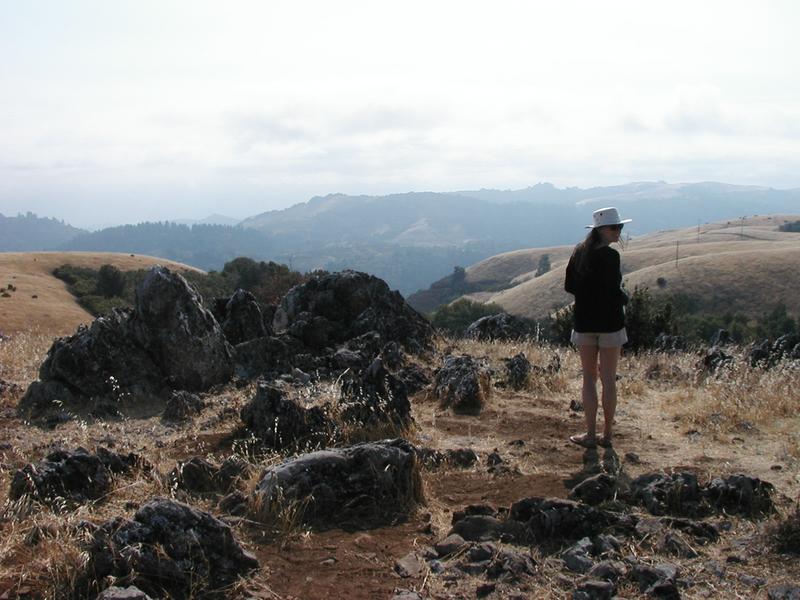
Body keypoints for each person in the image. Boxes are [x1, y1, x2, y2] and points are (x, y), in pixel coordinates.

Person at [564, 207, 631, 448]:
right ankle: (607, 435)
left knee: (589, 378)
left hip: (584, 323)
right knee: (608, 379)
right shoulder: (612, 257)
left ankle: (590, 435)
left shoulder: (579, 253)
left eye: (619, 227)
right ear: (601, 230)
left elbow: (569, 286)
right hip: (611, 324)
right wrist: (622, 299)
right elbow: (614, 291)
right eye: (615, 227)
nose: (618, 232)